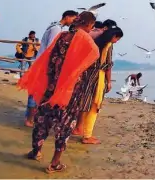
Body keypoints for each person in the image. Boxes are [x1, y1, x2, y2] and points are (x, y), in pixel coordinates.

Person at [17, 11, 99, 174]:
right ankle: (54, 163)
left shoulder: (62, 36)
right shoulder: (86, 41)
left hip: (51, 86)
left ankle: (36, 152)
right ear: (89, 24)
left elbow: (48, 59)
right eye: (92, 26)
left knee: (42, 119)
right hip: (70, 90)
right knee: (65, 124)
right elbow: (92, 57)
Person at [24, 10, 78, 128]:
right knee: (37, 91)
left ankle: (30, 117)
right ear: (67, 17)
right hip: (44, 63)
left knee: (36, 91)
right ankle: (30, 119)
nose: (74, 22)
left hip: (41, 62)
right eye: (73, 19)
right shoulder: (56, 29)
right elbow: (51, 47)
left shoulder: (54, 26)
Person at [73, 26, 123, 144]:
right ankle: (87, 135)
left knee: (86, 103)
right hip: (98, 77)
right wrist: (109, 82)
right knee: (95, 105)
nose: (116, 41)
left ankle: (82, 131)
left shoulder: (95, 42)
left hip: (88, 76)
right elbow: (108, 65)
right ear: (114, 37)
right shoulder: (108, 45)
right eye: (117, 39)